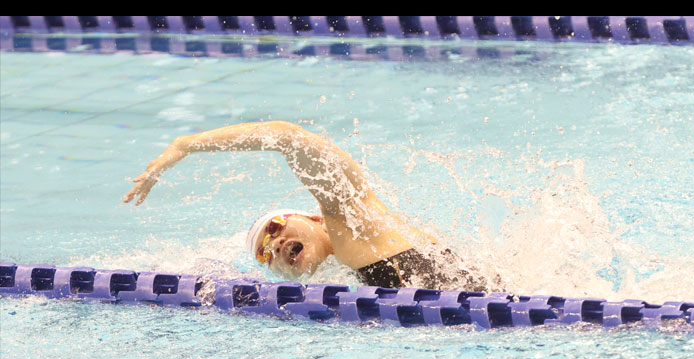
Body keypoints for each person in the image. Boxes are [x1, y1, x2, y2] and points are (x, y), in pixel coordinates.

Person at [123, 121, 490, 292]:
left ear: (314, 218)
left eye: (275, 228)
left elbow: (287, 137)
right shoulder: (351, 273)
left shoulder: (350, 217)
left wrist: (186, 145)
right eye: (265, 255)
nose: (276, 245)